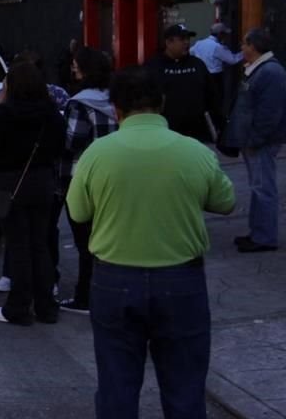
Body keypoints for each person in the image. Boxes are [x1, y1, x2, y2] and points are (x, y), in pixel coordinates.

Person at [66, 66, 235, 419]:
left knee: (117, 386)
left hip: (114, 280)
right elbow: (225, 201)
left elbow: (78, 212)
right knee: (185, 388)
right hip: (181, 282)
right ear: (161, 104)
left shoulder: (98, 154)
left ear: (117, 109)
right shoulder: (193, 151)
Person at [0, 62, 65, 325]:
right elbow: (60, 147)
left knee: (18, 246)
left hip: (10, 184)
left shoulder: (3, 115)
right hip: (43, 182)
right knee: (41, 244)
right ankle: (46, 306)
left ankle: (19, 307)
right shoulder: (51, 114)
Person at [57, 47, 118, 314]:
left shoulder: (79, 103)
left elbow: (71, 141)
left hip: (83, 176)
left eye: (76, 65)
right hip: (116, 174)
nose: (73, 69)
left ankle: (85, 296)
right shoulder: (116, 100)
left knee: (85, 241)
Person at [224, 28, 286, 253]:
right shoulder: (260, 69)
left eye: (244, 44)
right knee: (258, 187)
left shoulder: (270, 72)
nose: (242, 48)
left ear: (254, 46)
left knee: (263, 188)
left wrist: (255, 139)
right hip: (254, 140)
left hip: (260, 141)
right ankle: (258, 232)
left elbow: (269, 112)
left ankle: (264, 237)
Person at [145, 23, 215, 142]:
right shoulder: (153, 66)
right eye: (182, 39)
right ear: (168, 42)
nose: (186, 42)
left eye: (188, 39)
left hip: (196, 132)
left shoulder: (197, 64)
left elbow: (212, 96)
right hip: (165, 132)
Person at [190, 22, 243, 125]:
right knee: (216, 103)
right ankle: (217, 126)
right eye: (225, 34)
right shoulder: (217, 47)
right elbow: (232, 60)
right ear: (220, 34)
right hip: (215, 78)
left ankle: (205, 125)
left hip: (200, 77)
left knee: (204, 102)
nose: (226, 37)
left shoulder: (199, 43)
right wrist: (246, 52)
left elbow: (190, 52)